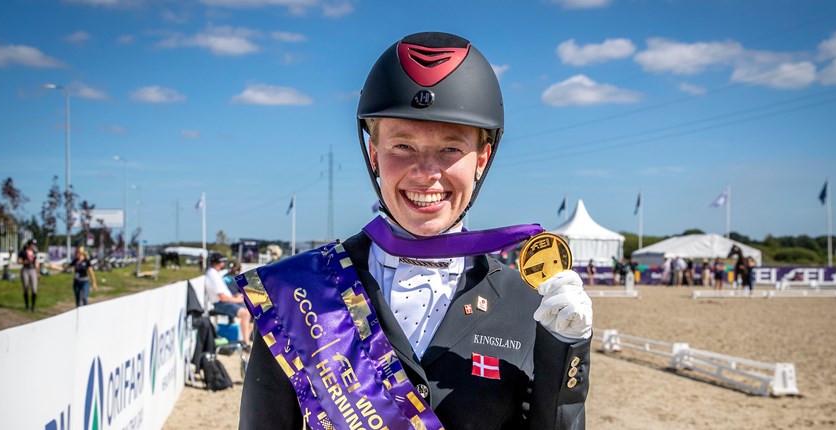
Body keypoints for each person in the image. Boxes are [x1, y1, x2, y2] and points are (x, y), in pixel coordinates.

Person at [240, 32, 593, 429]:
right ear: (375, 154)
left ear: (482, 159)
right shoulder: (296, 292)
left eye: (451, 150)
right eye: (403, 147)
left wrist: (568, 347)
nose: (427, 174)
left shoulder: (525, 302)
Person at [204, 252, 252, 347]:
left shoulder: (215, 273)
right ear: (220, 262)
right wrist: (237, 300)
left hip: (225, 301)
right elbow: (222, 297)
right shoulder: (213, 274)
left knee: (251, 310)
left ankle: (247, 340)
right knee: (246, 314)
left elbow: (224, 294)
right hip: (220, 303)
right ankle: (246, 343)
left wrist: (235, 297)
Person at [17, 239, 40, 312]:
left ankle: (33, 306)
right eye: (32, 244)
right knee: (26, 288)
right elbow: (18, 261)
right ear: (29, 244)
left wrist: (38, 272)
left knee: (34, 289)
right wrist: (24, 262)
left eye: (35, 244)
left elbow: (36, 262)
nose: (34, 246)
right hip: (25, 270)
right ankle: (27, 306)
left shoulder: (35, 252)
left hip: (33, 270)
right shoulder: (23, 252)